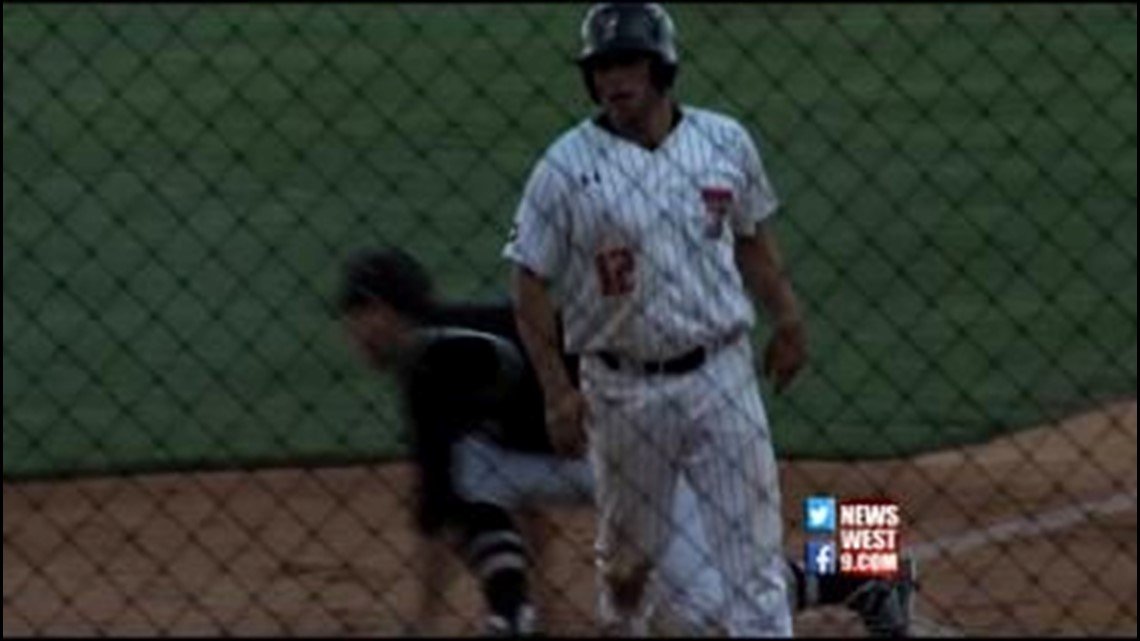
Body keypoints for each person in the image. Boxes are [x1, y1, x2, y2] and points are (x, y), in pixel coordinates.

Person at [337, 248, 917, 637]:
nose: (350, 332)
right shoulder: (431, 363)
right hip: (574, 462)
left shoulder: (457, 353)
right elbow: (468, 504)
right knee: (460, 477)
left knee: (696, 611)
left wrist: (421, 623)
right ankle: (514, 613)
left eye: (354, 314)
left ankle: (862, 565)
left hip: (647, 451)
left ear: (381, 311)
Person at [503, 2, 817, 636]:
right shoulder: (565, 167)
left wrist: (787, 317)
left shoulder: (723, 141)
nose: (614, 80)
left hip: (720, 375)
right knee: (629, 573)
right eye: (601, 68)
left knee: (753, 572)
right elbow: (527, 280)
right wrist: (556, 391)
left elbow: (752, 235)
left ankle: (856, 573)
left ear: (661, 66)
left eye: (628, 64)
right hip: (620, 392)